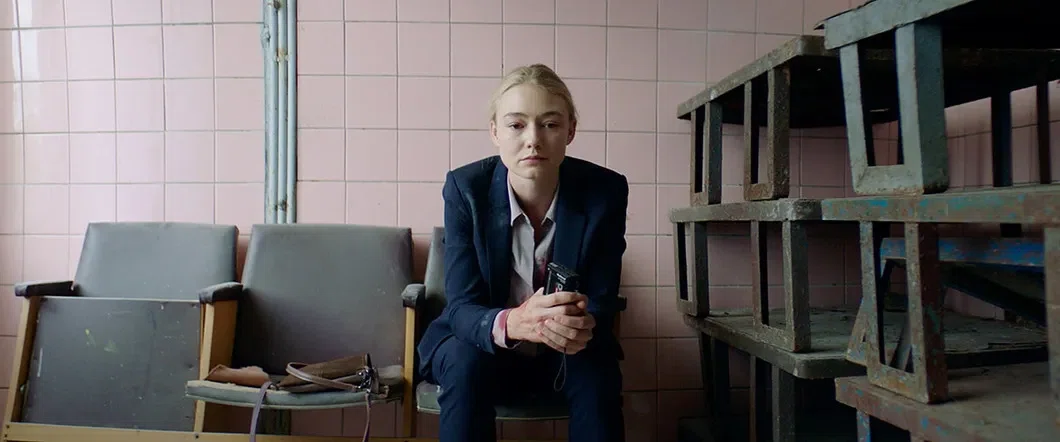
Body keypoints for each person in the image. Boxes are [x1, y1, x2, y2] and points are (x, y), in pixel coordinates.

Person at [415, 63, 629, 442]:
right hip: (482, 343)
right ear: (495, 132)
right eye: (516, 125)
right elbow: (461, 306)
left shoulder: (605, 192)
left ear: (570, 130)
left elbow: (601, 295)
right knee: (465, 363)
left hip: (563, 350)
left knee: (597, 371)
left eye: (550, 124)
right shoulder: (465, 189)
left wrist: (579, 324)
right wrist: (512, 322)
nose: (533, 139)